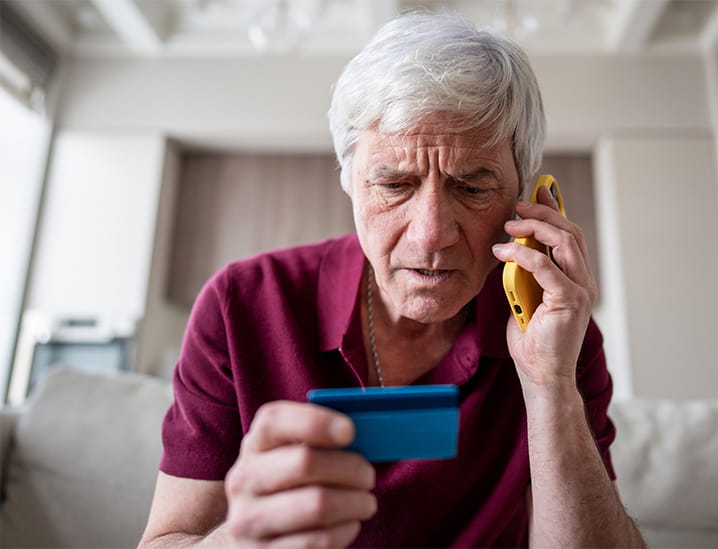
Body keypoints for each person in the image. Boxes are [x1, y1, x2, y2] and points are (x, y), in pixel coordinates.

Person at [139, 11, 645, 549]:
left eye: (472, 189)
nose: (431, 236)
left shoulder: (557, 327)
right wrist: (243, 542)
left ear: (527, 198)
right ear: (350, 182)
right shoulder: (240, 305)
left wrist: (550, 385)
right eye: (395, 184)